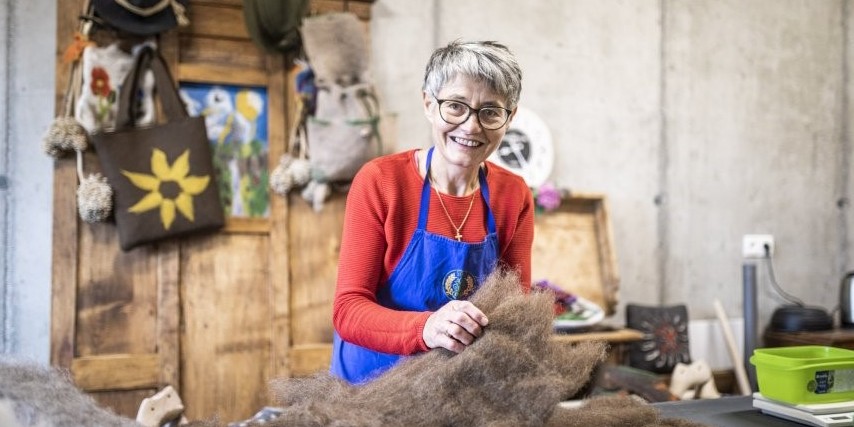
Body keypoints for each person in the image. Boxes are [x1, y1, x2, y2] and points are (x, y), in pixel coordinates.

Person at [330, 40, 534, 384]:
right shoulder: (382, 182)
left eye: (490, 111)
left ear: (509, 118)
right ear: (428, 103)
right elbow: (348, 309)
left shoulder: (512, 195)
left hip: (454, 390)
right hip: (369, 390)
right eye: (455, 106)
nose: (471, 126)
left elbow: (516, 310)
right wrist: (426, 327)